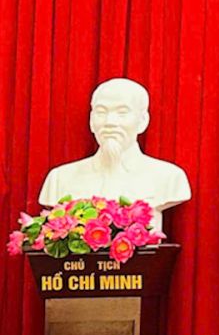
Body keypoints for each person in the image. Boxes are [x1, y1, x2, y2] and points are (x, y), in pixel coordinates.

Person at [39, 78, 191, 233]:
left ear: (142, 121)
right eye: (101, 112)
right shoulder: (60, 179)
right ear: (91, 121)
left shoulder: (169, 178)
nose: (109, 122)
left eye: (122, 113)